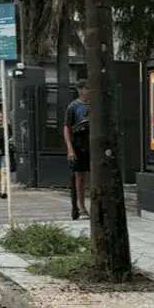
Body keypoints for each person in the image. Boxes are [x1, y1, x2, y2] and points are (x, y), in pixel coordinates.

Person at [63, 80, 91, 220]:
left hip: (92, 143)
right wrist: (70, 149)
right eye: (87, 88)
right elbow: (67, 127)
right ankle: (80, 206)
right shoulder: (73, 107)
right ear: (80, 90)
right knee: (79, 176)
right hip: (78, 143)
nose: (89, 91)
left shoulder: (95, 104)